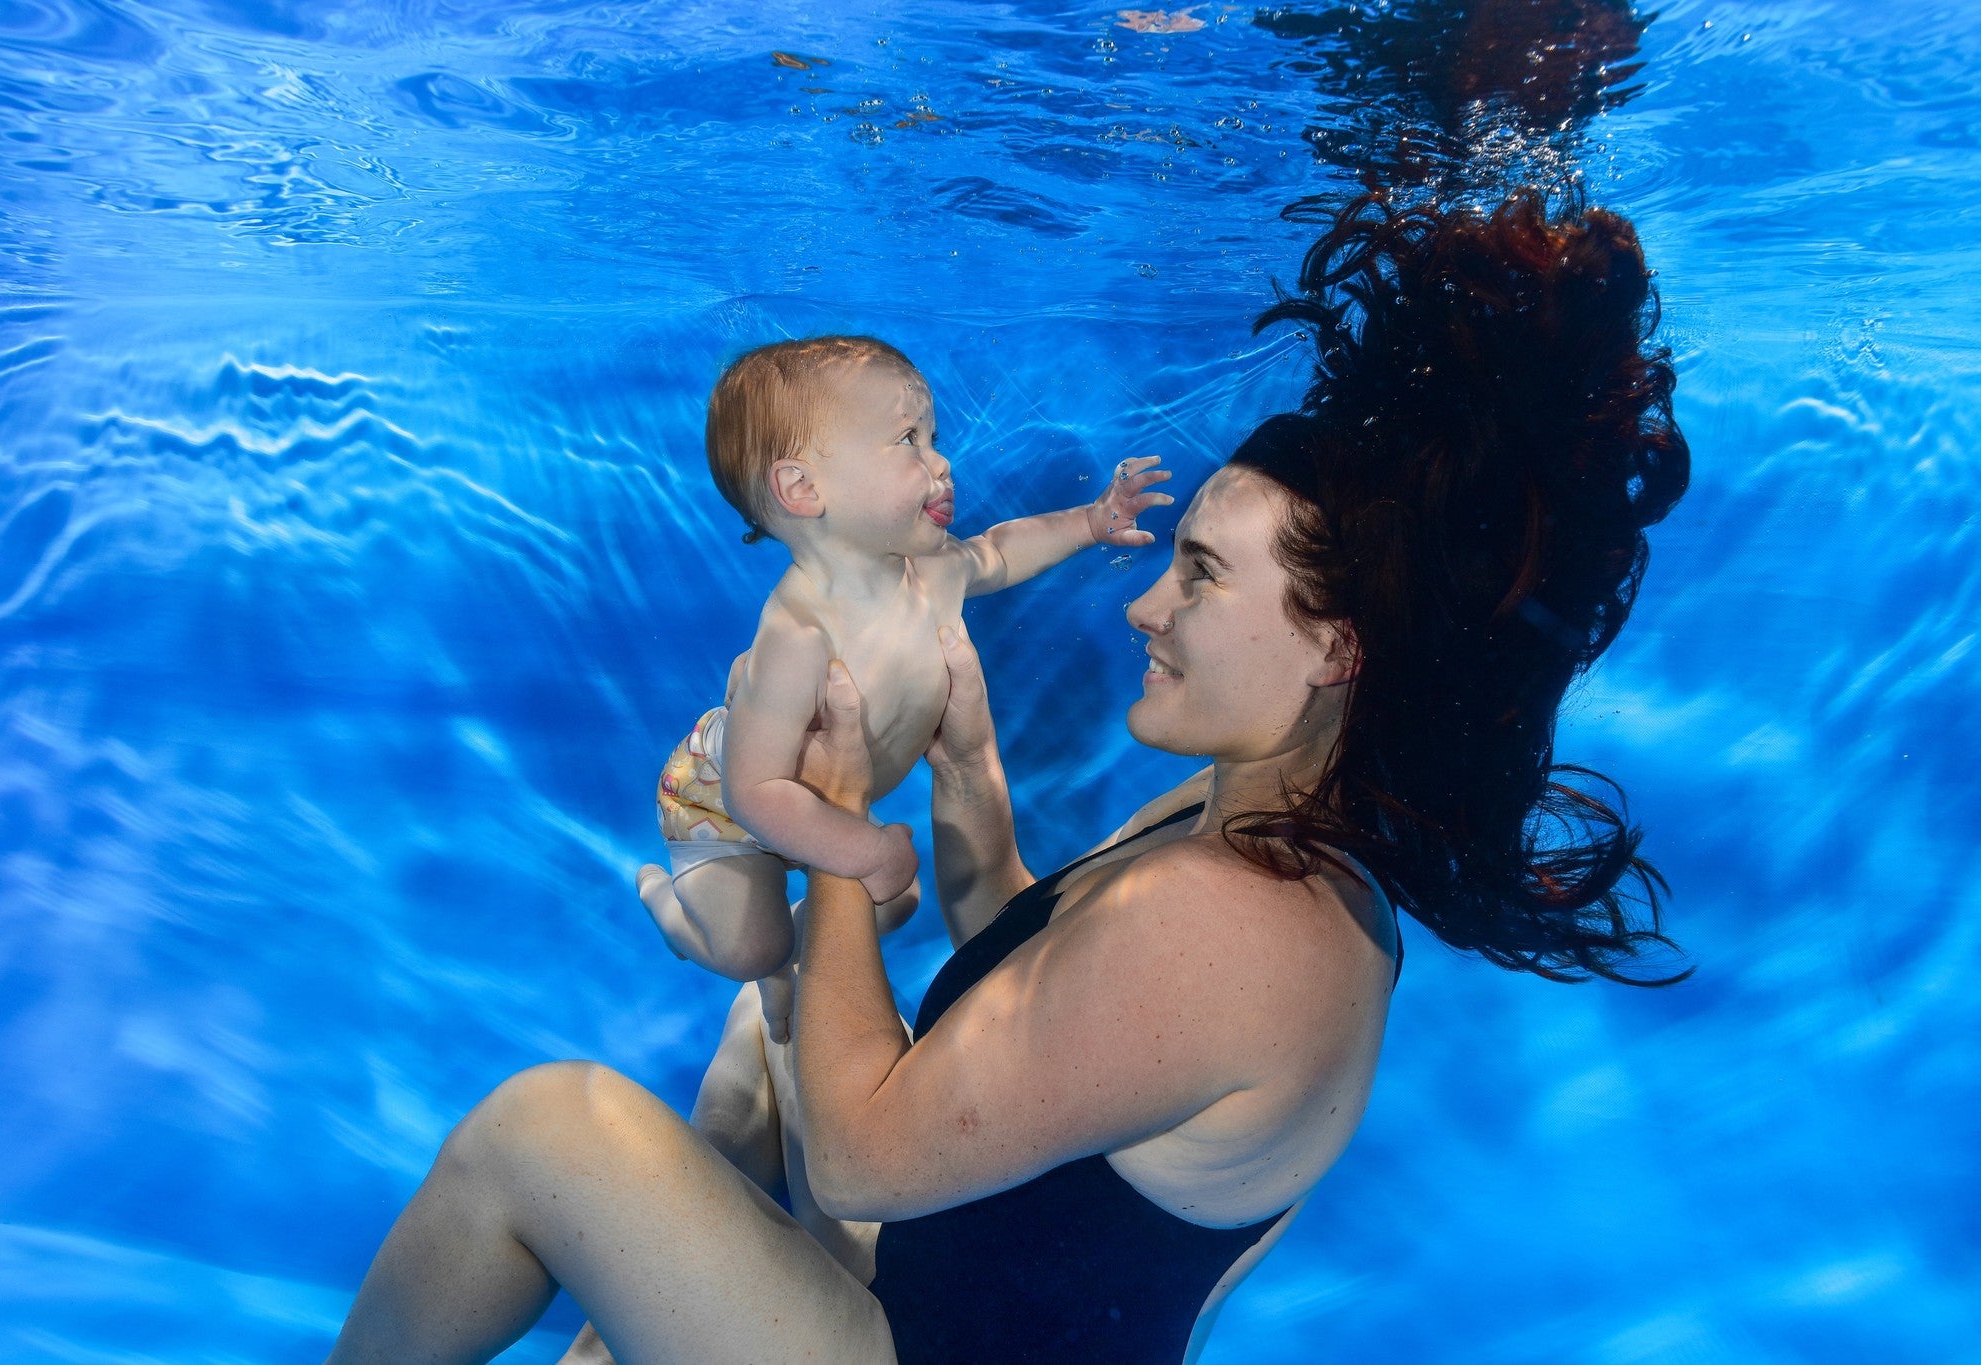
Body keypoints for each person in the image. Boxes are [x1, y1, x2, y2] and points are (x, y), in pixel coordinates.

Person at [326, 187, 1690, 1364]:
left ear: (1335, 645)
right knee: (763, 1032)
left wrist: (842, 824)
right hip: (916, 1281)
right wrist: (970, 766)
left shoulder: (1246, 925)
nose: (1144, 607)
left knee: (547, 1128)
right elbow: (1049, 985)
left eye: (1199, 576)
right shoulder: (1268, 830)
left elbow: (861, 1148)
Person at [642, 335, 1172, 1039]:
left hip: (820, 806)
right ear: (804, 489)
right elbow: (756, 790)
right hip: (722, 800)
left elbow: (999, 552)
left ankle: (783, 958)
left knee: (890, 906)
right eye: (908, 441)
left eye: (934, 436)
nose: (942, 462)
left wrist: (1088, 522)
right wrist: (861, 851)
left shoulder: (934, 571)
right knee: (752, 947)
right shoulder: (798, 634)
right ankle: (670, 908)